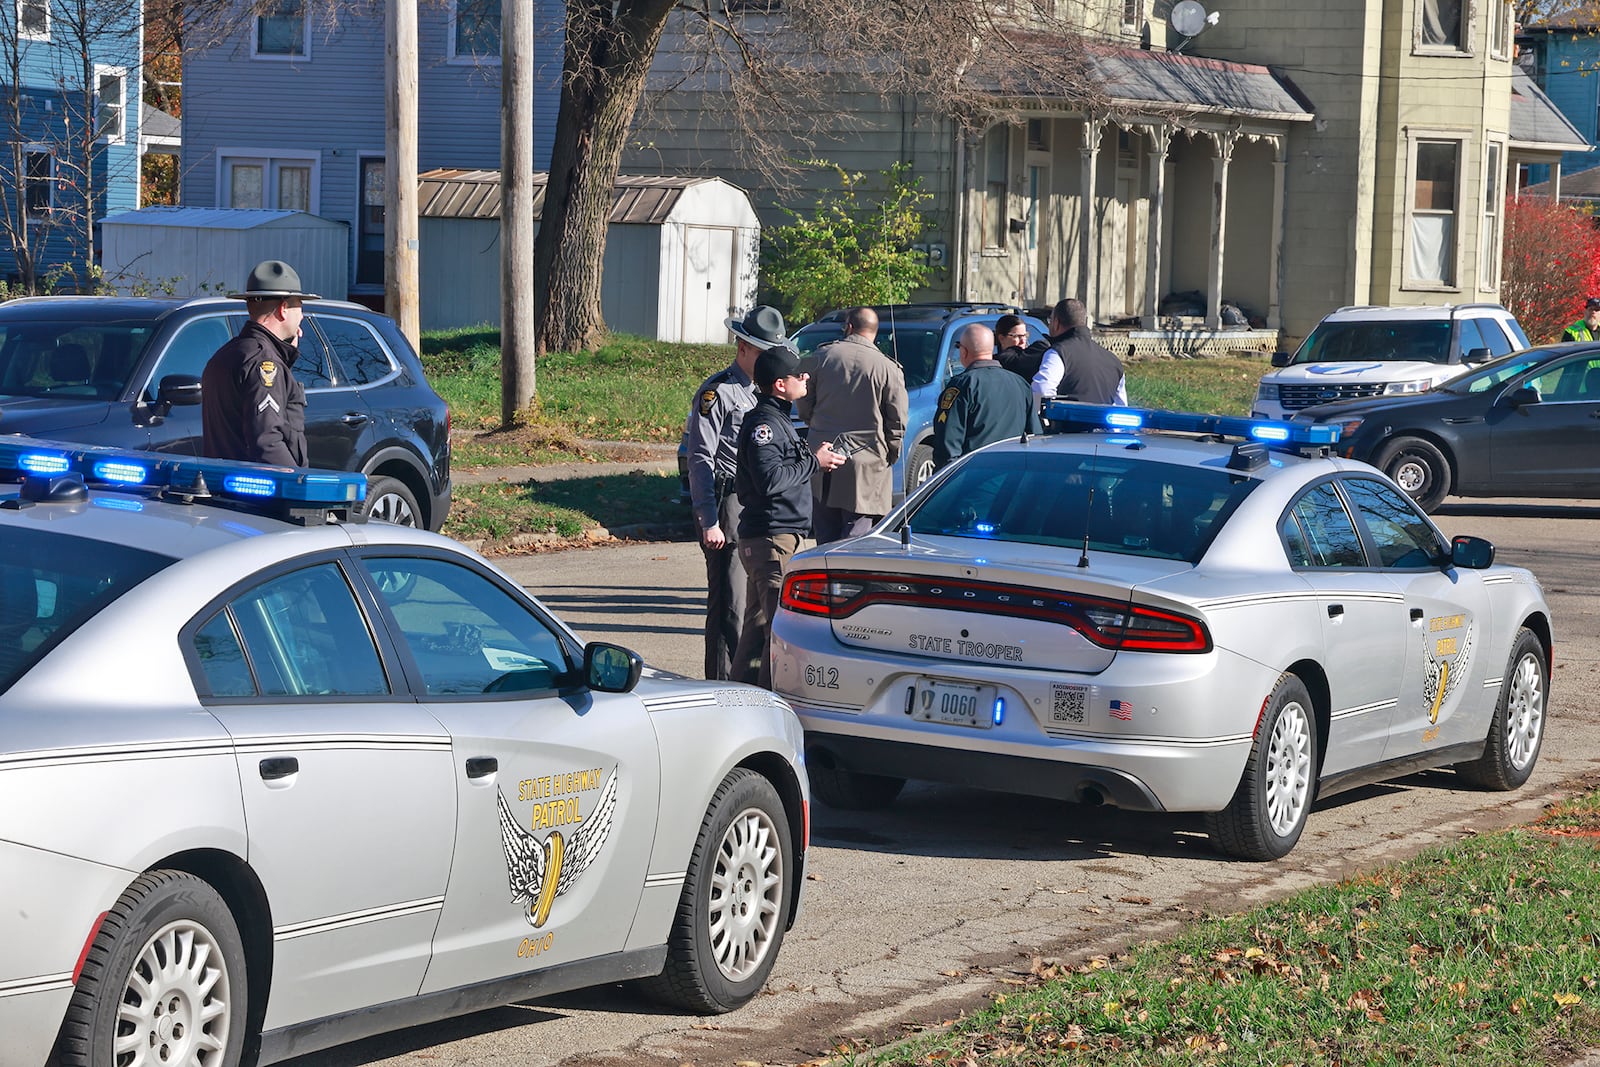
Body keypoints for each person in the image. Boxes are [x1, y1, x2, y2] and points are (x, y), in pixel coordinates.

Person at [731, 345, 847, 688]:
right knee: (777, 632)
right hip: (771, 540)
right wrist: (813, 463)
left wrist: (814, 457)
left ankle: (739, 697)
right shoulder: (765, 425)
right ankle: (767, 707)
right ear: (780, 384)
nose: (805, 377)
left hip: (777, 538)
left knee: (756, 631)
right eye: (799, 374)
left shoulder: (778, 420)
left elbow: (781, 469)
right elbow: (769, 481)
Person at [682, 305, 784, 680]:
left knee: (757, 608)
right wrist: (708, 519)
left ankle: (747, 683)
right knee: (731, 606)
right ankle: (721, 688)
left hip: (758, 506)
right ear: (742, 347)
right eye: (761, 351)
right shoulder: (718, 393)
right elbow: (700, 458)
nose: (768, 360)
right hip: (728, 505)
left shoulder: (766, 392)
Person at [796, 307, 908, 543]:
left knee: (825, 536)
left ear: (848, 327)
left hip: (822, 457)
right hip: (867, 463)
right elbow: (897, 421)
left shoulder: (820, 357)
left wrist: (817, 426)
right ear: (875, 332)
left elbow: (804, 403)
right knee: (857, 538)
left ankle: (826, 579)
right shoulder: (888, 368)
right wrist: (891, 453)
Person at [201, 259, 319, 466]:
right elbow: (267, 442)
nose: (301, 316)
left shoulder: (228, 353)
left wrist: (286, 353)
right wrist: (296, 484)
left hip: (226, 485)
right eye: (300, 306)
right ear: (283, 308)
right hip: (261, 491)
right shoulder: (264, 363)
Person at [932, 323, 1044, 470]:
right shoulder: (1020, 384)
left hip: (973, 478)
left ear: (964, 352)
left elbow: (947, 445)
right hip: (1011, 479)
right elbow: (1034, 438)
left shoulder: (961, 386)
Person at [1032, 298, 1128, 407]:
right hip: (1102, 423)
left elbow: (1041, 390)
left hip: (1066, 423)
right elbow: (1121, 406)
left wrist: (1043, 418)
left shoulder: (1059, 353)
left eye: (1050, 321)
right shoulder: (1113, 361)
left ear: (1056, 323)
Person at [994, 313, 1050, 383]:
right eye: (1016, 336)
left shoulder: (1032, 356)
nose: (1023, 341)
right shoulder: (997, 362)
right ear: (1001, 338)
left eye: (1025, 335)